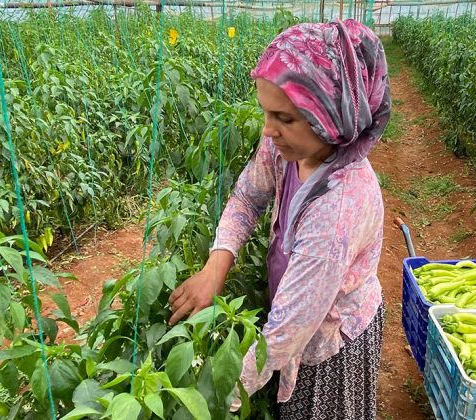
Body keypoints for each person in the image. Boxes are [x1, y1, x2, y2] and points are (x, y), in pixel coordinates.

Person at [167, 18, 391, 419]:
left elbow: (283, 336)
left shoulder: (338, 209)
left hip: (328, 345)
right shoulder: (290, 148)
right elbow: (246, 197)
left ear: (332, 115)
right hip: (297, 320)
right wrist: (215, 267)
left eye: (284, 117)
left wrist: (209, 404)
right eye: (266, 113)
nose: (268, 130)